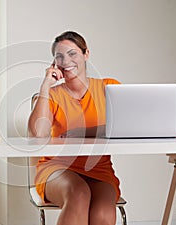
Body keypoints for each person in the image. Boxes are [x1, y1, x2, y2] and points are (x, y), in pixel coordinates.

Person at [28, 31, 121, 225]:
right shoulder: (51, 95)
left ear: (86, 54)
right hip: (56, 169)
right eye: (59, 56)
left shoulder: (109, 88)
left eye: (72, 54)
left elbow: (125, 128)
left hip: (99, 169)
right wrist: (45, 86)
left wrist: (81, 132)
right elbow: (39, 134)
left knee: (103, 212)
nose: (66, 60)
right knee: (79, 193)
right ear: (54, 63)